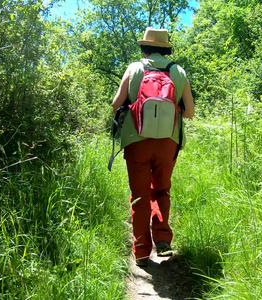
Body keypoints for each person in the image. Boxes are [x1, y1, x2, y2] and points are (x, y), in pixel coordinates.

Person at [112, 27, 194, 267]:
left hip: (137, 140)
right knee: (161, 190)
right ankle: (162, 237)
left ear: (144, 47)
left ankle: (141, 252)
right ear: (166, 48)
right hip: (168, 142)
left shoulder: (134, 68)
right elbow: (189, 113)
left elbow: (115, 104)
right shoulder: (178, 71)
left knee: (139, 195)